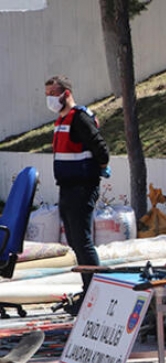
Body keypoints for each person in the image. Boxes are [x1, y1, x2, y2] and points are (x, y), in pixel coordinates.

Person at [44, 75, 111, 314]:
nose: (50, 99)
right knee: (74, 240)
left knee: (83, 241)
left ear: (66, 94)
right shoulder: (60, 121)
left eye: (54, 93)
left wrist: (101, 168)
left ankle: (97, 294)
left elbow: (100, 148)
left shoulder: (79, 118)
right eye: (47, 94)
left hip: (82, 187)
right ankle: (88, 291)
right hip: (67, 187)